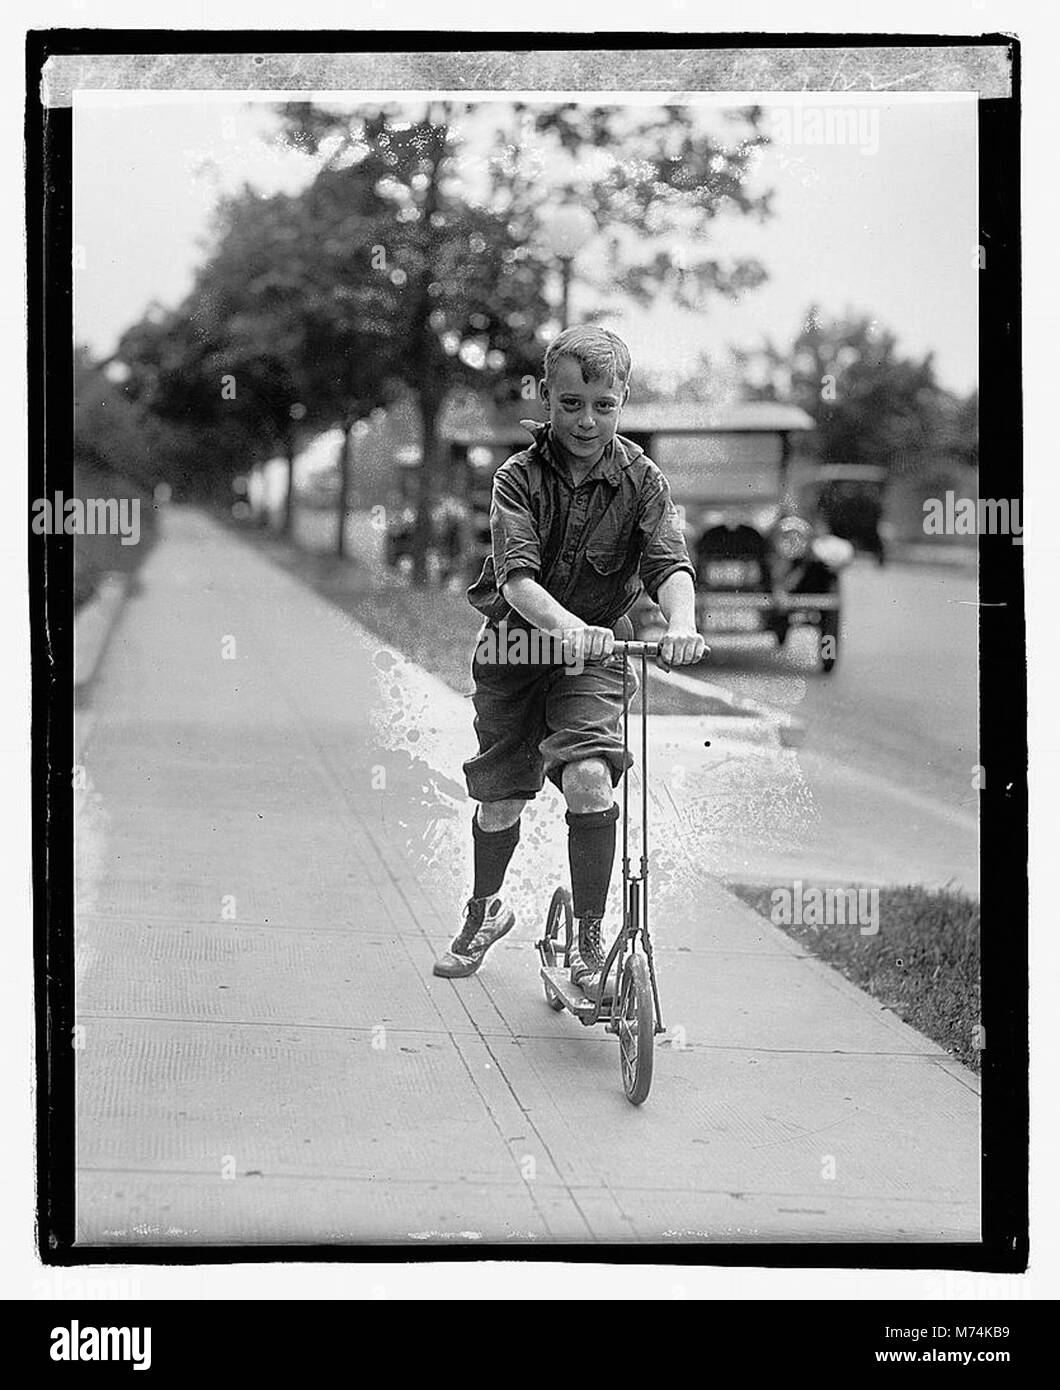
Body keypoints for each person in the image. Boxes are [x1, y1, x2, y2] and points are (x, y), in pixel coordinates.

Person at [433, 326, 706, 1001]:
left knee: (589, 778)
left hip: (596, 657)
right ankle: (484, 912)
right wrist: (569, 627)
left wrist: (683, 622)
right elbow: (518, 580)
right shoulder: (516, 479)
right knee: (500, 798)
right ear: (547, 399)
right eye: (572, 403)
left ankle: (590, 946)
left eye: (604, 405)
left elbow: (669, 563)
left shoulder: (642, 479)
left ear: (624, 401)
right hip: (517, 648)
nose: (587, 420)